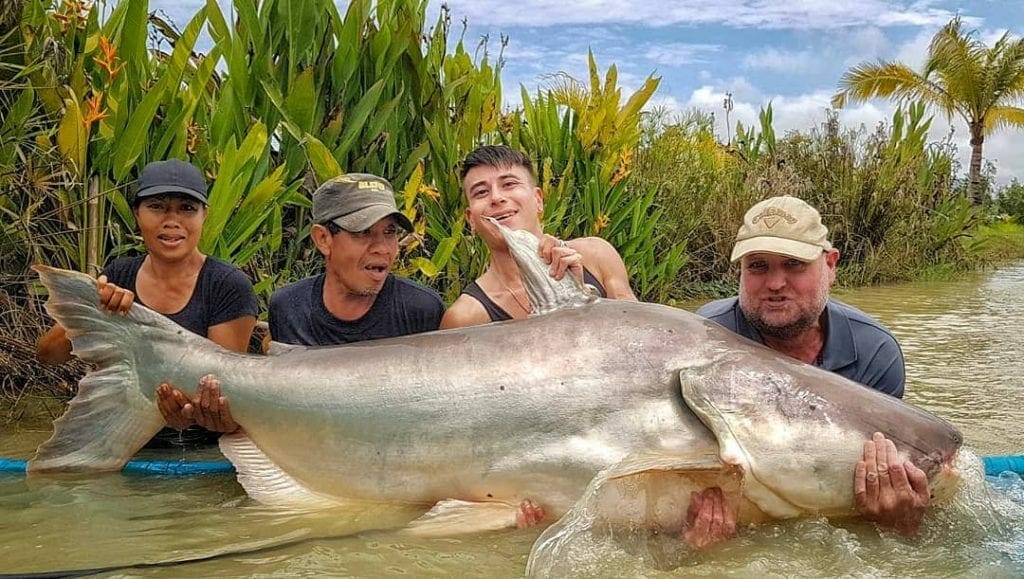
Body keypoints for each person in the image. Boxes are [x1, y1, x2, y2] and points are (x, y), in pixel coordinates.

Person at [692, 195, 927, 545]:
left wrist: (899, 522)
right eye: (757, 266)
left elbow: (876, 480)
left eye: (793, 264)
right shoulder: (705, 340)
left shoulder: (874, 351)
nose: (775, 283)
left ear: (830, 266)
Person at [159, 172, 446, 434]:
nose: (382, 247)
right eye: (363, 233)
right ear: (323, 239)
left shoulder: (422, 309)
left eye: (390, 232)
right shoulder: (289, 306)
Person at [36, 159, 258, 445]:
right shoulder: (119, 275)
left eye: (187, 208)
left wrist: (186, 412)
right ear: (137, 214)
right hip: (124, 441)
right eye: (157, 207)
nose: (172, 221)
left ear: (204, 215)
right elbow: (48, 355)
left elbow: (224, 390)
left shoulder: (227, 285)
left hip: (200, 447)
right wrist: (94, 309)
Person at [440, 145, 636, 329]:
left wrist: (582, 299)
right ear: (471, 220)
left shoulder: (596, 255)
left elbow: (639, 335)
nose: (496, 197)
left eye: (509, 184)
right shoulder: (465, 317)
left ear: (538, 200)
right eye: (481, 192)